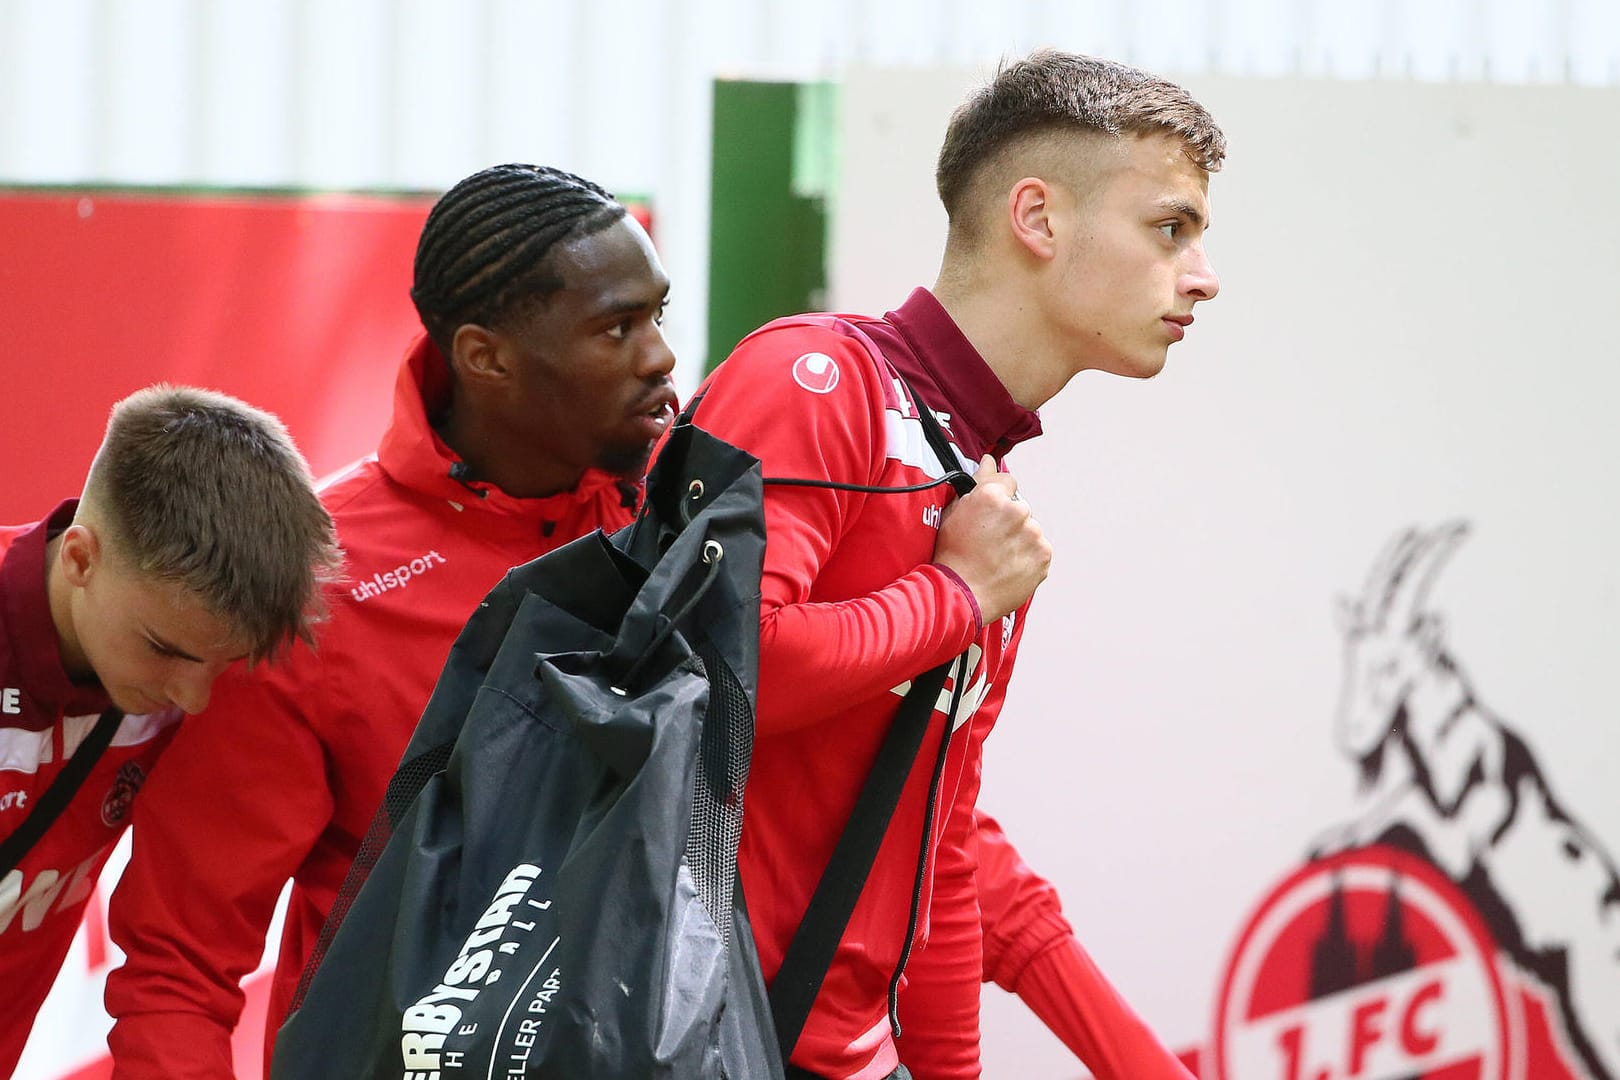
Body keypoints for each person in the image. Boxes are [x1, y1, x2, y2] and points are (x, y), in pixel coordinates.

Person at [691, 50, 1223, 1079]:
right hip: (687, 1043)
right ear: (1038, 218)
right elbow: (727, 672)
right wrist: (955, 595)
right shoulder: (814, 379)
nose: (1203, 274)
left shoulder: (983, 495)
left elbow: (938, 851)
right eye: (1171, 228)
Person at [102, 163, 678, 1078]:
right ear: (485, 357)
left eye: (658, 315)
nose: (660, 357)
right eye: (618, 327)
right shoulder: (318, 590)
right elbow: (180, 960)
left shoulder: (688, 530)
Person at [0, 386, 338, 1076]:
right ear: (81, 558)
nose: (194, 696)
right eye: (167, 651)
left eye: (226, 663)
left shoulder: (177, 666)